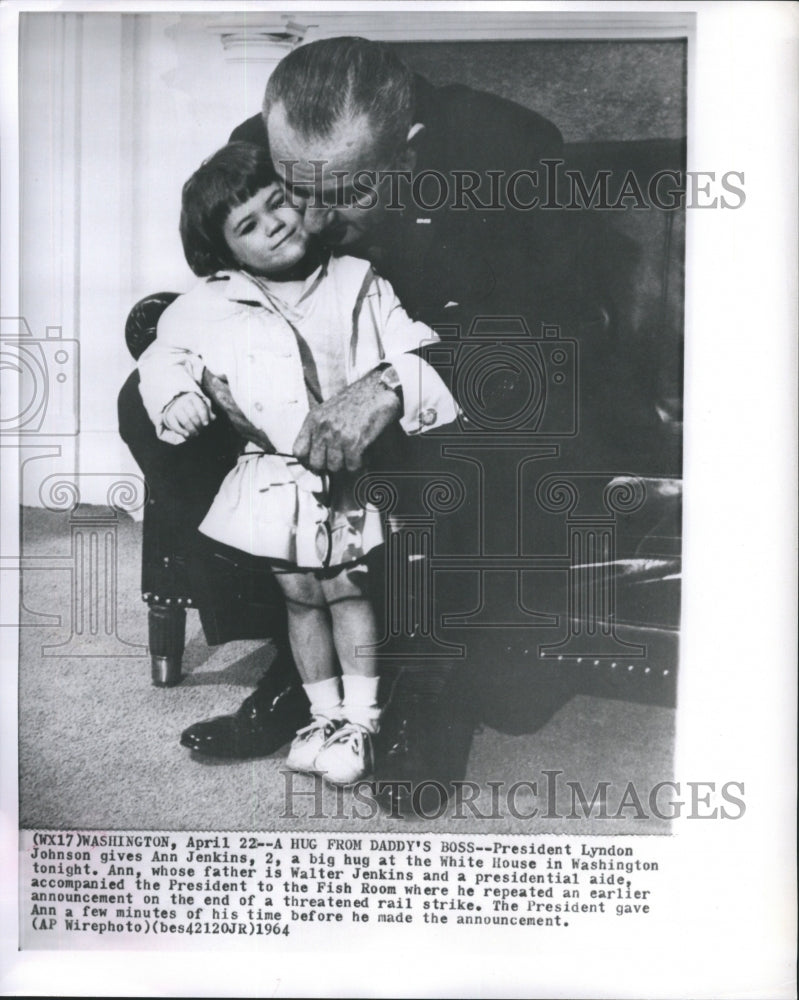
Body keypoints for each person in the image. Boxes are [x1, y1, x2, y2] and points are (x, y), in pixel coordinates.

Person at [178, 37, 582, 768]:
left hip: (465, 370)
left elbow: (553, 324)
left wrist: (394, 383)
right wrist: (215, 377)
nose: (308, 220)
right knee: (153, 403)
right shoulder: (255, 145)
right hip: (310, 371)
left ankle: (432, 684)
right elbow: (219, 270)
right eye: (291, 189)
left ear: (408, 151)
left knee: (464, 426)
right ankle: (300, 656)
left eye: (339, 193)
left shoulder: (509, 146)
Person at [137, 141, 458, 784]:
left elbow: (415, 345)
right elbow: (162, 354)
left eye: (277, 202)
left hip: (342, 470)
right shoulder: (209, 302)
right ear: (224, 253)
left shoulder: (355, 278)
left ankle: (363, 719)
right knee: (300, 593)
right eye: (247, 225)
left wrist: (403, 383)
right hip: (273, 473)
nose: (274, 224)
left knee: (347, 587)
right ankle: (322, 712)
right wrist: (176, 396)